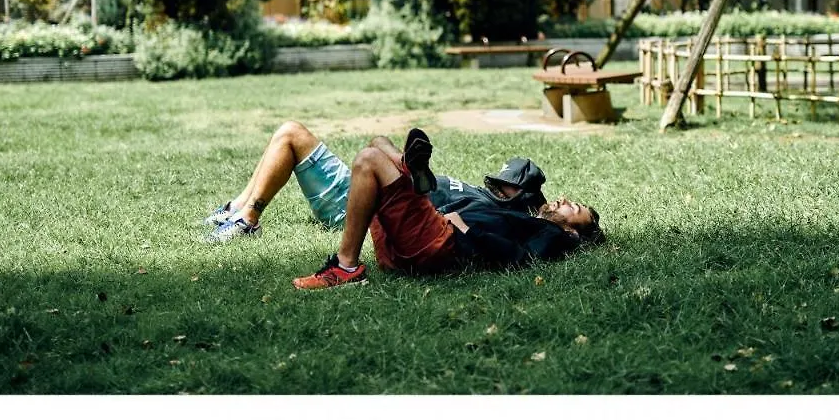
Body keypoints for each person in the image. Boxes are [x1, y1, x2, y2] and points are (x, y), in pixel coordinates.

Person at [292, 128, 603, 290]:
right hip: (411, 247)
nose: (565, 200)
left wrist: (463, 228)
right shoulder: (530, 221)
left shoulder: (555, 236)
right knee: (377, 143)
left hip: (441, 241)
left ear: (573, 231)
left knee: (368, 159)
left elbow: (520, 258)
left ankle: (345, 267)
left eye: (573, 208)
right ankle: (406, 165)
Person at [204, 120, 551, 244]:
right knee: (375, 140)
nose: (498, 184)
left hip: (365, 203)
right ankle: (237, 208)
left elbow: (444, 222)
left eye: (506, 184)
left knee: (291, 134)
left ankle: (247, 220)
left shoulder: (493, 211)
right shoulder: (482, 195)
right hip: (377, 188)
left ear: (521, 195)